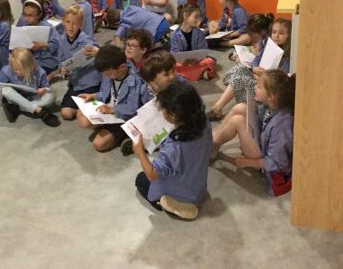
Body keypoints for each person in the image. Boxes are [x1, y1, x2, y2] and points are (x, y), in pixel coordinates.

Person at [132, 81, 212, 220]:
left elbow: (152, 175)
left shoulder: (174, 148)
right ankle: (192, 200)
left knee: (141, 179)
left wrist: (139, 152)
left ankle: (167, 203)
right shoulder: (205, 124)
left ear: (174, 115)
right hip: (198, 186)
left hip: (180, 193)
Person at [211, 70, 295, 196]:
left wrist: (247, 162)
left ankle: (210, 147)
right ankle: (213, 140)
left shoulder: (281, 127)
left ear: (271, 96)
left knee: (238, 121)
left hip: (267, 165)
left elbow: (278, 163)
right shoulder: (271, 106)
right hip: (262, 142)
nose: (255, 87)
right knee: (240, 107)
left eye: (259, 87)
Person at [76, 45, 150, 154]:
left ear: (122, 67)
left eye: (109, 73)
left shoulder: (135, 81)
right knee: (81, 115)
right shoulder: (110, 73)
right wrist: (94, 96)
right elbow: (106, 93)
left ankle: (126, 135)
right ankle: (107, 130)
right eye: (104, 74)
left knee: (98, 144)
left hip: (122, 117)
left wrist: (112, 109)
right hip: (107, 112)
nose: (107, 76)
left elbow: (133, 108)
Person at [206, 13, 275, 121]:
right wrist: (253, 68)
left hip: (264, 84)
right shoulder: (264, 42)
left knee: (238, 78)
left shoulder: (273, 49)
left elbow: (271, 76)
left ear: (258, 33)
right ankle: (218, 106)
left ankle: (217, 109)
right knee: (240, 68)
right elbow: (256, 60)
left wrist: (254, 71)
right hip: (259, 75)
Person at [56, 5, 100, 121]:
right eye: (68, 22)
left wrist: (98, 52)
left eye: (75, 23)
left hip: (91, 83)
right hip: (76, 83)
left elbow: (103, 58)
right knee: (66, 113)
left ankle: (91, 103)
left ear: (81, 24)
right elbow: (60, 61)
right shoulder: (61, 40)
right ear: (63, 22)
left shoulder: (86, 40)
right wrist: (62, 69)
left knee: (85, 116)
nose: (71, 27)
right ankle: (82, 105)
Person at [0, 48, 60, 127]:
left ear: (30, 65)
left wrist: (43, 89)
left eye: (21, 69)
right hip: (16, 97)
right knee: (6, 90)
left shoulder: (39, 71)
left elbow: (46, 87)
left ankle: (19, 108)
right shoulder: (6, 70)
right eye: (16, 69)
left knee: (51, 96)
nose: (18, 72)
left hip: (33, 97)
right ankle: (39, 111)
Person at [15, 0, 59, 77]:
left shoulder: (48, 27)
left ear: (39, 15)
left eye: (30, 15)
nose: (27, 18)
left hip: (46, 61)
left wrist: (43, 45)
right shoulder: (24, 23)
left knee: (35, 76)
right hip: (28, 59)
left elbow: (56, 44)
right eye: (25, 15)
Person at [170, 4, 216, 81]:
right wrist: (183, 61)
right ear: (185, 16)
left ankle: (187, 74)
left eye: (199, 17)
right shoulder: (174, 35)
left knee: (210, 61)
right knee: (172, 65)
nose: (198, 20)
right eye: (196, 17)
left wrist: (197, 59)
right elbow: (175, 53)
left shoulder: (199, 33)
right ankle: (199, 73)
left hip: (197, 61)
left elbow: (203, 50)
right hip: (183, 63)